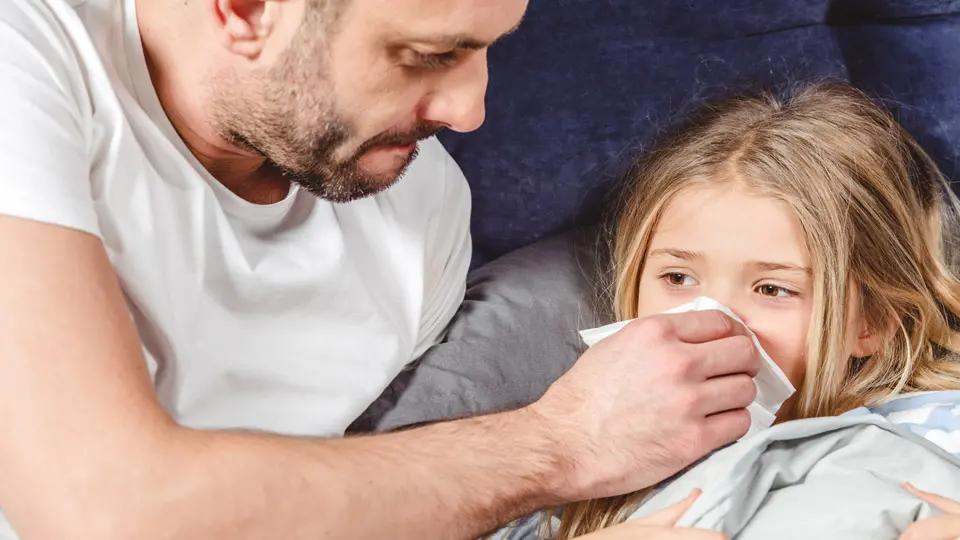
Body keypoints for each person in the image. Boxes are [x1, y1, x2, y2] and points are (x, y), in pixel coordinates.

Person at [0, 0, 766, 538]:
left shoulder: (420, 203)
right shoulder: (26, 61)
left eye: (488, 48)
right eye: (430, 56)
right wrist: (560, 443)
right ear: (245, 10)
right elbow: (106, 508)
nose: (469, 111)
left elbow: (342, 508)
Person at [493, 82, 960, 539]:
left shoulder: (932, 435)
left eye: (772, 289)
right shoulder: (563, 480)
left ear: (872, 323)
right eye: (678, 279)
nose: (711, 321)